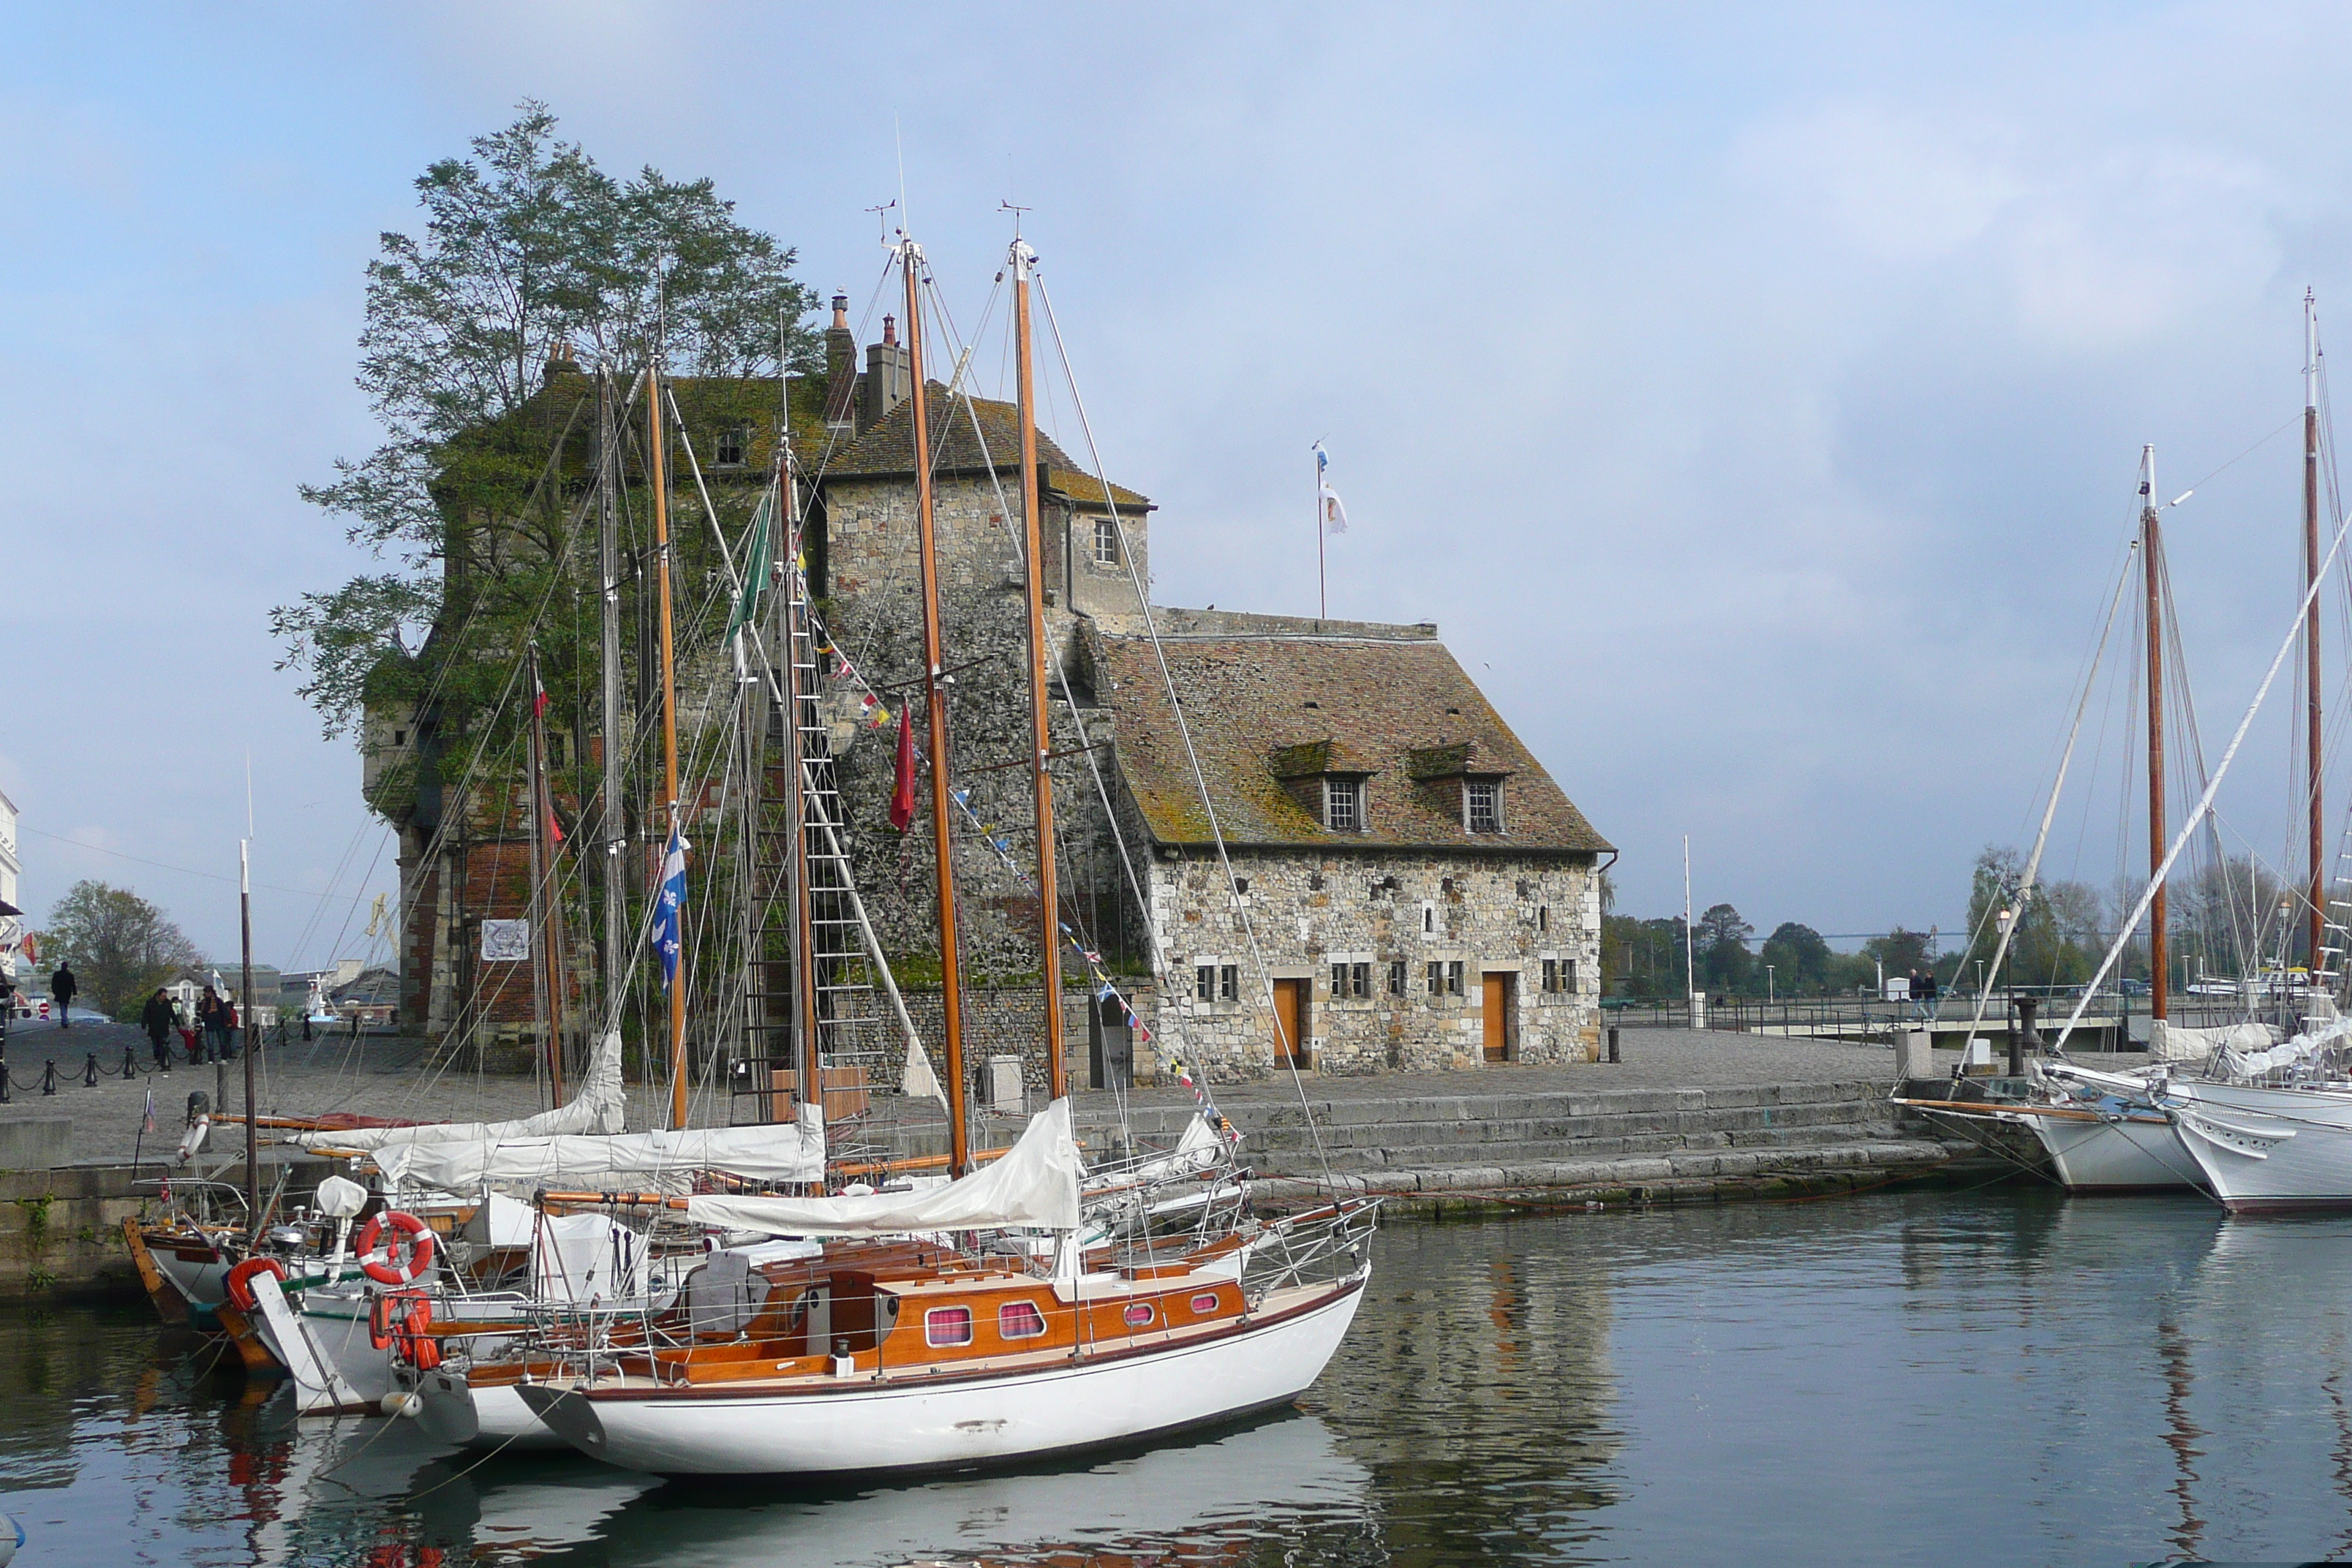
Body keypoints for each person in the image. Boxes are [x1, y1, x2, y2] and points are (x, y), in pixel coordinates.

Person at [140, 987, 176, 1073]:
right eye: (163, 996)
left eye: (165, 996)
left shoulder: (167, 1003)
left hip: (164, 1027)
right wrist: (144, 1023)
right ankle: (157, 1058)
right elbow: (146, 1013)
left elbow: (172, 1013)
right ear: (158, 995)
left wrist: (177, 1024)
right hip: (154, 1027)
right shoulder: (150, 1002)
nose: (164, 998)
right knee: (155, 1044)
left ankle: (163, 1058)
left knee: (163, 1044)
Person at [198, 987, 236, 1064]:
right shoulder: (204, 1002)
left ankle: (223, 1057)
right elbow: (201, 1013)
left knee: (222, 1041)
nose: (206, 994)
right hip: (209, 1024)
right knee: (210, 1043)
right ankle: (211, 1059)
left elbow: (224, 1011)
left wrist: (228, 1021)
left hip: (219, 1023)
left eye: (207, 992)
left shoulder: (218, 1001)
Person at [50, 962, 76, 1028]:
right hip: (67, 993)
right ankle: (64, 1019)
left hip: (59, 992)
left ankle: (65, 1020)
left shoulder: (57, 974)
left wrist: (54, 991)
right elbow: (73, 985)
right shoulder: (70, 975)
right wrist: (75, 994)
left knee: (62, 1005)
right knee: (64, 1005)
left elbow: (53, 984)